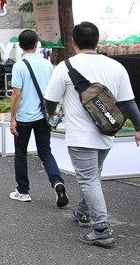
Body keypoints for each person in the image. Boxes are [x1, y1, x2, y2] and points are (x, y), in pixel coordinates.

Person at [44, 22, 140, 248]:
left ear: (73, 42)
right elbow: (129, 103)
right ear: (97, 41)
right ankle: (82, 212)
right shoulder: (116, 66)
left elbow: (50, 100)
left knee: (88, 179)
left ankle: (101, 230)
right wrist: (138, 128)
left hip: (80, 136)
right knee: (93, 176)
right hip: (106, 133)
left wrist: (52, 117)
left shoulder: (65, 67)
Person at [9, 29, 68, 206]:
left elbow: (16, 94)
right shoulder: (47, 64)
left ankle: (23, 191)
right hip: (43, 116)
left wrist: (13, 118)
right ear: (36, 45)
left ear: (20, 46)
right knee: (45, 152)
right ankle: (57, 183)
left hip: (24, 118)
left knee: (20, 153)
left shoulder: (19, 66)